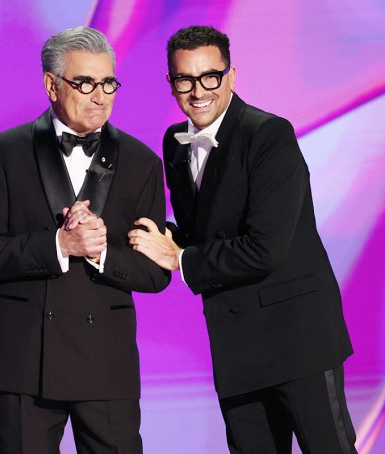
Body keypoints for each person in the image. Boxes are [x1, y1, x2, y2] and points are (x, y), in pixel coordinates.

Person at [128, 25, 357, 453]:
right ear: (171, 84)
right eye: (185, 79)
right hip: (237, 349)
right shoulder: (174, 145)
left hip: (298, 341)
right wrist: (145, 234)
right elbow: (202, 231)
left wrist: (181, 259)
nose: (198, 91)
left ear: (232, 75)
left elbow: (265, 248)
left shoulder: (269, 135)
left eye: (210, 76)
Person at [0, 26, 170, 453]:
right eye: (86, 83)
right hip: (24, 361)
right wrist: (59, 245)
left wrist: (99, 251)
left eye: (108, 83)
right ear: (50, 85)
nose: (101, 96)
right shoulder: (5, 152)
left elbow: (155, 274)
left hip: (106, 363)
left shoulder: (142, 163)